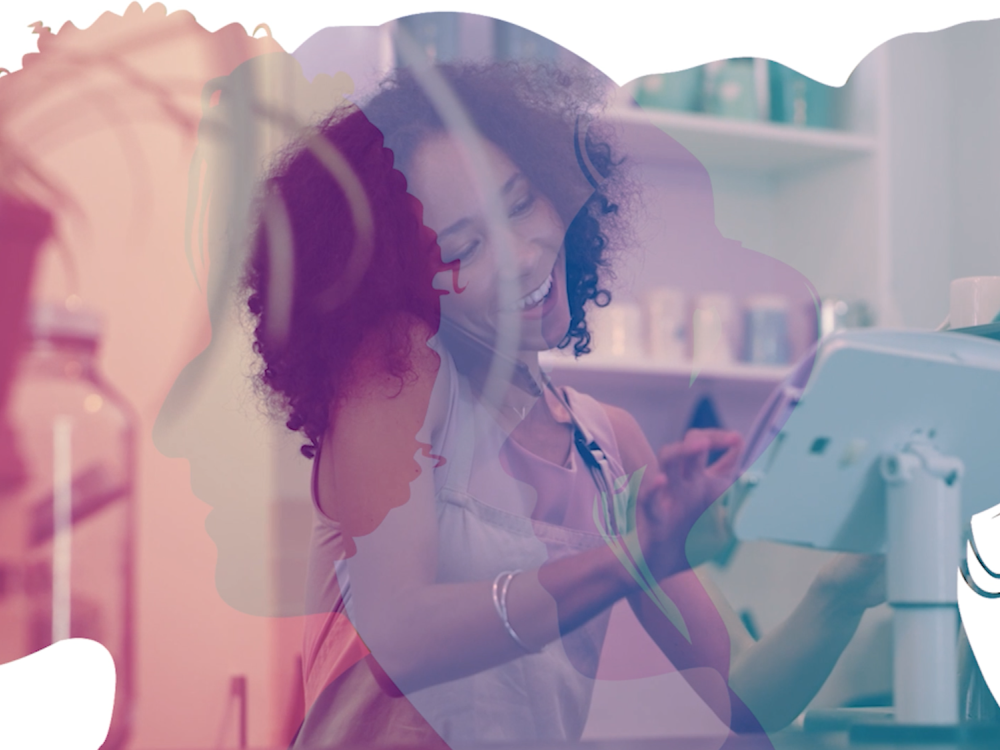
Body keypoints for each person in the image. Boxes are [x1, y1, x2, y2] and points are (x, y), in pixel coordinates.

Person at [239, 59, 885, 748]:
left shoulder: (609, 444)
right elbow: (403, 639)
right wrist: (632, 557)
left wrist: (843, 592)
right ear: (404, 284)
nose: (520, 254)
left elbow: (737, 699)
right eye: (462, 246)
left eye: (520, 203)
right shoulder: (396, 374)